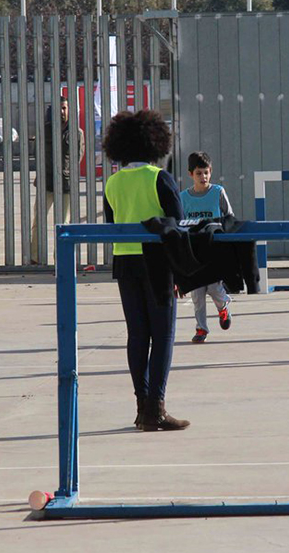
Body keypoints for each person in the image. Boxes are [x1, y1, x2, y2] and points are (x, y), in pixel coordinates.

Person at [102, 109, 189, 431]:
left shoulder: (112, 182)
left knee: (137, 335)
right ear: (156, 142)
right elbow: (178, 225)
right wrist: (181, 272)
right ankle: (157, 408)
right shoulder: (159, 177)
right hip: (158, 262)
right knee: (163, 335)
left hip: (124, 262)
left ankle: (141, 408)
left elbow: (112, 225)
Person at [179, 151, 233, 343]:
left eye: (206, 172)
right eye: (199, 173)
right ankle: (201, 328)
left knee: (214, 289)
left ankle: (223, 306)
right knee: (197, 293)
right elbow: (180, 226)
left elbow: (229, 218)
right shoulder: (183, 197)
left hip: (213, 250)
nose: (203, 177)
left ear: (211, 172)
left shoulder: (218, 192)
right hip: (194, 252)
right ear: (190, 174)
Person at [30, 96, 86, 265]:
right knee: (38, 221)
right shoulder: (44, 130)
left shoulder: (77, 132)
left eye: (64, 108)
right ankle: (36, 258)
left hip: (66, 184)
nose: (62, 112)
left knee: (63, 224)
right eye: (59, 108)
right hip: (46, 182)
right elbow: (36, 153)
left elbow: (79, 155)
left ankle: (60, 259)